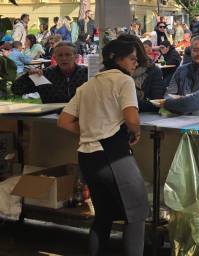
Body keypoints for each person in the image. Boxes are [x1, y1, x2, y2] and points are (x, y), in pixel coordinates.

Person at [57, 36, 147, 256]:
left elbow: (64, 121)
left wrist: (91, 130)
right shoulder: (124, 81)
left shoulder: (87, 85)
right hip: (113, 155)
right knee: (136, 215)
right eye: (132, 59)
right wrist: (136, 131)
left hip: (87, 158)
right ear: (115, 58)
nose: (135, 63)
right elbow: (131, 118)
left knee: (104, 216)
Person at [12, 42, 88, 103]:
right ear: (55, 58)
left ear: (76, 57)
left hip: (81, 116)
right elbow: (16, 90)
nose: (64, 58)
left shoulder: (86, 73)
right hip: (51, 117)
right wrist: (28, 76)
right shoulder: (45, 74)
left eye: (68, 55)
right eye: (60, 55)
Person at [165, 36, 199, 114]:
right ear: (191, 51)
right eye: (195, 50)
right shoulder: (181, 71)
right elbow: (168, 96)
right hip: (184, 118)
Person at [129, 36, 164, 112]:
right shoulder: (115, 74)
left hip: (145, 117)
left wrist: (127, 104)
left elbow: (157, 102)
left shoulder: (153, 71)